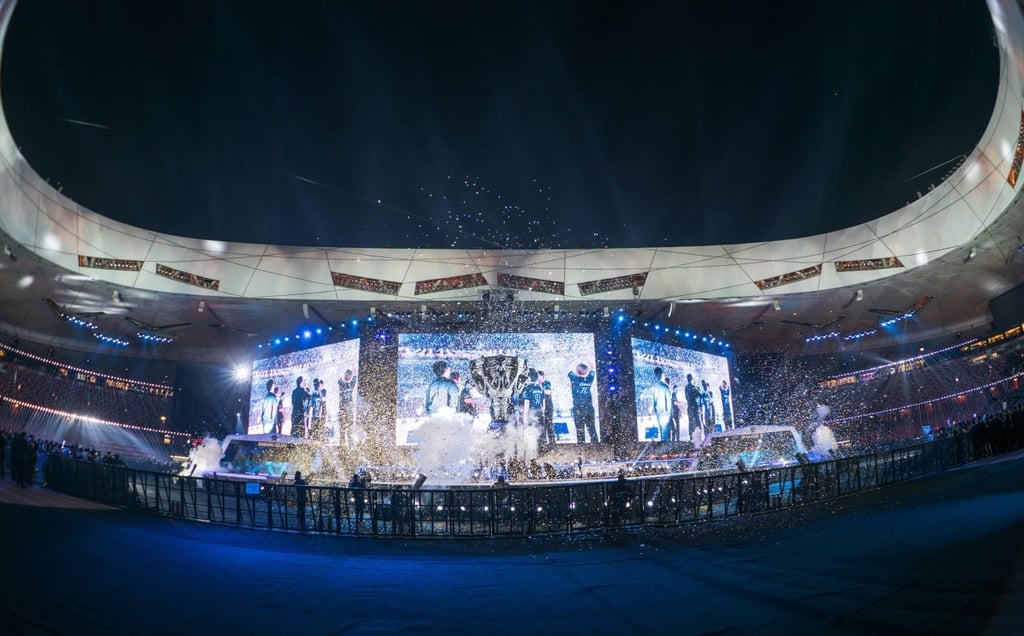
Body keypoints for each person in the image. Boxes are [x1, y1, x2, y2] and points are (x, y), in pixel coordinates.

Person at [568, 362, 598, 443]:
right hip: (589, 408)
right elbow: (593, 368)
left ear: (577, 371)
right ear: (586, 371)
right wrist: (586, 359)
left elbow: (569, 368)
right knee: (592, 428)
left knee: (580, 430)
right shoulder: (589, 379)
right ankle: (596, 445)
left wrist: (577, 359)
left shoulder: (574, 379)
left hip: (578, 409)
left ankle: (581, 445)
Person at [649, 367, 673, 442]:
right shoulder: (665, 387)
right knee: (665, 434)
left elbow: (652, 402)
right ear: (661, 374)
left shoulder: (654, 387)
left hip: (659, 413)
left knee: (662, 432)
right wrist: (669, 413)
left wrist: (652, 411)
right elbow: (669, 402)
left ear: (655, 374)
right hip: (665, 413)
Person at [338, 369, 357, 445]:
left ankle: (347, 443)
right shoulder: (345, 383)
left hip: (347, 408)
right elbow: (355, 375)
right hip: (345, 408)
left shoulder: (348, 384)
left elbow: (355, 375)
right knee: (344, 426)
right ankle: (344, 443)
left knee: (347, 426)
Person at [537, 370, 555, 448]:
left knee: (549, 424)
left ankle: (552, 443)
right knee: (541, 425)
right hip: (540, 408)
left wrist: (539, 387)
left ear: (542, 376)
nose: (537, 378)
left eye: (538, 376)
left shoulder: (547, 383)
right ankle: (543, 443)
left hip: (548, 407)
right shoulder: (535, 385)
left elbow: (548, 392)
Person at [684, 373, 703, 441]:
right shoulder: (693, 387)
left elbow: (686, 397)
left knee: (691, 421)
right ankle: (699, 434)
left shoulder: (686, 387)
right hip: (694, 406)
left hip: (689, 406)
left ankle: (691, 436)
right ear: (691, 379)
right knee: (697, 421)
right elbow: (699, 395)